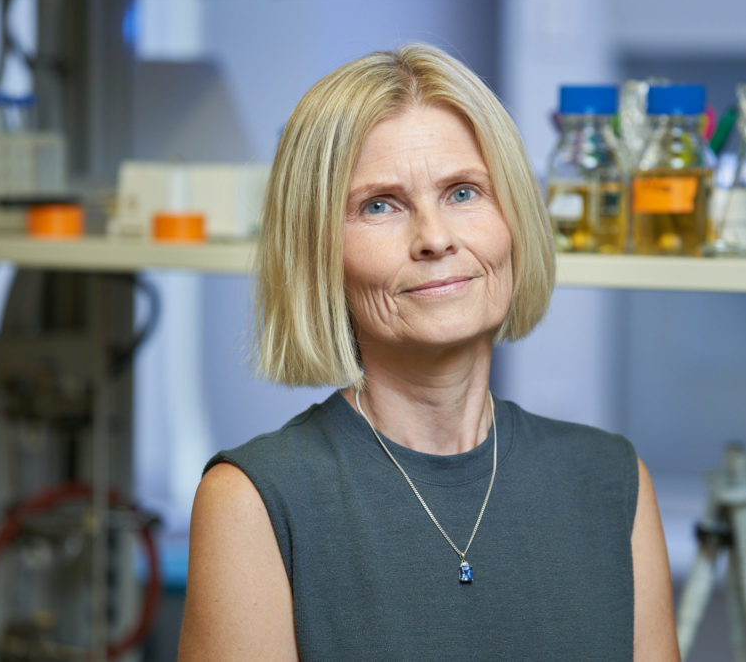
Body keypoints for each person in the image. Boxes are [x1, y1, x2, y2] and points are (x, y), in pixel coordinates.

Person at [178, 43, 679, 661]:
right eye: (379, 206)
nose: (435, 238)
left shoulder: (612, 482)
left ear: (515, 218)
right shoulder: (253, 500)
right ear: (317, 253)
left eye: (464, 193)